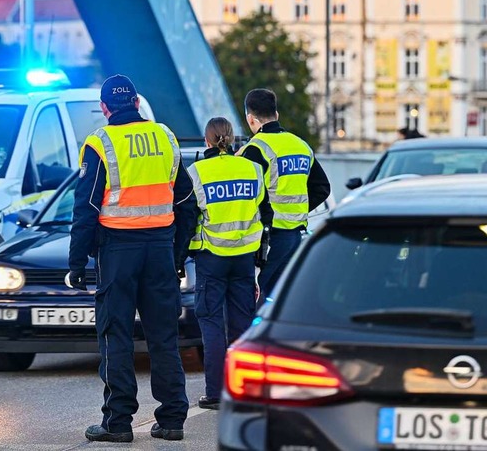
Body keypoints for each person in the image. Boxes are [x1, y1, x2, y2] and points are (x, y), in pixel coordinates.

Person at [67, 74, 197, 443]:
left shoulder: (100, 142)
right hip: (159, 249)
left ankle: (118, 422)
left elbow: (87, 206)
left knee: (116, 334)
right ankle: (172, 419)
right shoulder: (165, 137)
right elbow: (187, 203)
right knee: (163, 337)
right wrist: (176, 254)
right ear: (137, 104)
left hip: (118, 251)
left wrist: (77, 263)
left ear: (105, 108)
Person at [187, 117, 272, 410]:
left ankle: (215, 392)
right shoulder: (252, 169)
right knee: (242, 324)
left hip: (211, 258)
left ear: (207, 141)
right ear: (233, 138)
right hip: (244, 259)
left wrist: (179, 255)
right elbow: (266, 213)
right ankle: (244, 389)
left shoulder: (197, 172)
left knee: (211, 323)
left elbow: (187, 218)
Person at [239, 88, 331, 300]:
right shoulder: (301, 145)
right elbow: (322, 187)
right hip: (295, 235)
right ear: (276, 115)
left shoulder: (254, 149)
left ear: (251, 119)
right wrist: (297, 209)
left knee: (256, 295)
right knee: (284, 296)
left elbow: (249, 195)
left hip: (268, 238)